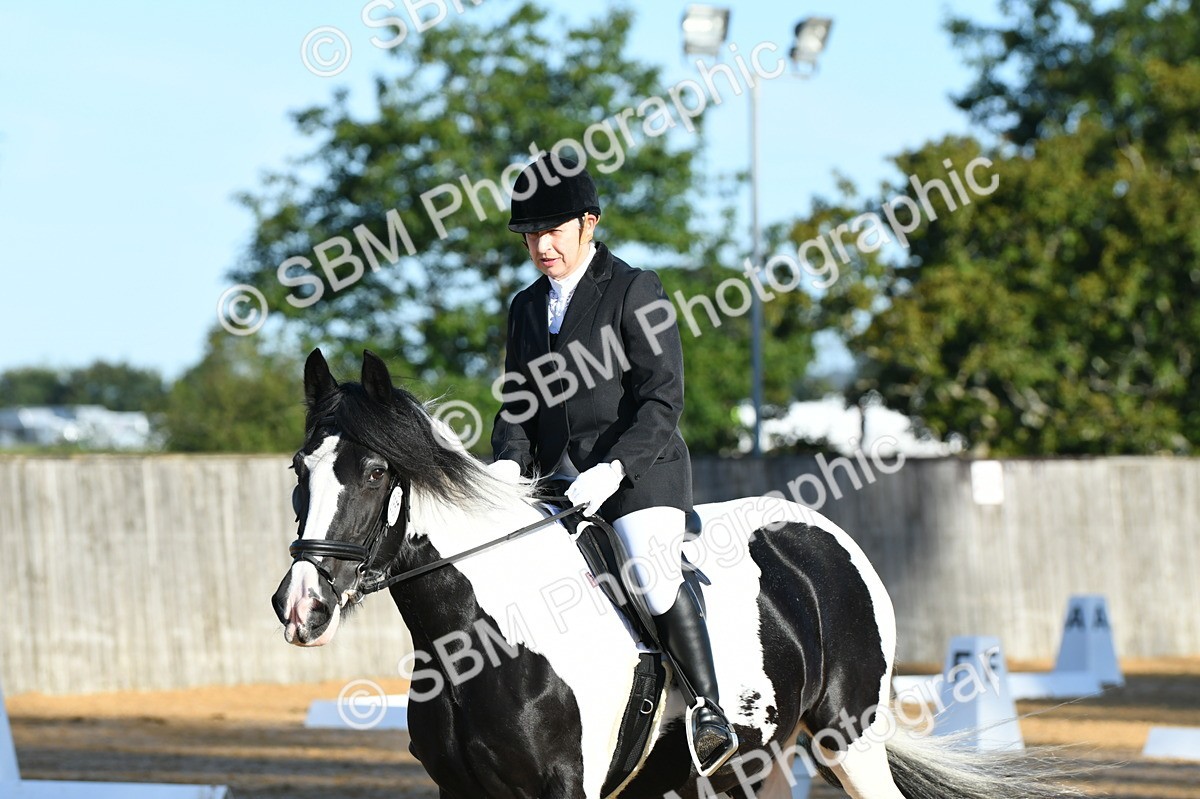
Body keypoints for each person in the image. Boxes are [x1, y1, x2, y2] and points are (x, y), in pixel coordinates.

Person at [489, 154, 738, 775]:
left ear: (588, 223)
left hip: (638, 474)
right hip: (555, 481)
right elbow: (519, 403)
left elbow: (662, 399)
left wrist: (615, 469)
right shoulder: (525, 308)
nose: (541, 245)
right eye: (530, 235)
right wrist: (507, 469)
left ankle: (708, 709)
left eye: (553, 231)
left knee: (652, 574)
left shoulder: (634, 289)